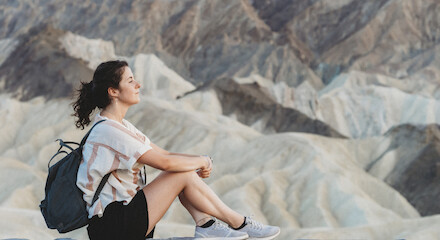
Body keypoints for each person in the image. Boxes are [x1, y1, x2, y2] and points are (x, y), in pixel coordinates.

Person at [73, 60, 280, 240]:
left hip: (122, 220)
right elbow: (165, 163)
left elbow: (166, 154)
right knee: (178, 174)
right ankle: (239, 222)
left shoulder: (120, 126)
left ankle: (206, 225)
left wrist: (202, 159)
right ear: (113, 91)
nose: (138, 84)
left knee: (183, 173)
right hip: (112, 226)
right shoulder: (109, 131)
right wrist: (200, 163)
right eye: (130, 81)